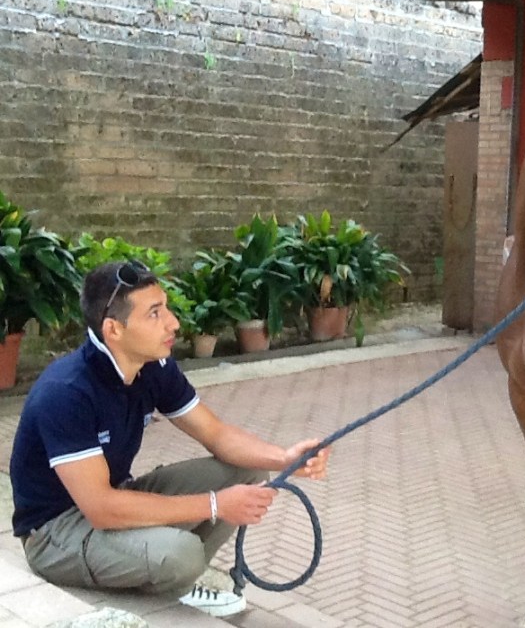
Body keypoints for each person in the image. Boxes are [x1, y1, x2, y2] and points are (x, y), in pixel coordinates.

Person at [9, 260, 331, 618]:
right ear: (113, 329)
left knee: (246, 471)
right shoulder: (67, 391)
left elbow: (216, 434)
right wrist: (215, 505)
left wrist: (284, 458)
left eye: (167, 308)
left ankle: (166, 575)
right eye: (155, 314)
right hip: (55, 532)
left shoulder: (153, 366)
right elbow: (100, 507)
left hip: (116, 496)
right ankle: (171, 572)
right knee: (182, 555)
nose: (173, 323)